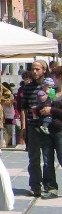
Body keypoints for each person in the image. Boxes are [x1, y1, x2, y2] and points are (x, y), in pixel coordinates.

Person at [22, 60, 57, 197]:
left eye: (37, 69)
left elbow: (54, 103)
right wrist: (23, 127)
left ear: (44, 70)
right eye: (32, 69)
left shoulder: (51, 86)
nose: (34, 72)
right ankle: (35, 186)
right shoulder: (28, 87)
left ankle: (50, 186)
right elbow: (24, 108)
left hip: (47, 126)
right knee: (34, 158)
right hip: (32, 125)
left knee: (48, 158)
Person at [39, 65, 62, 199]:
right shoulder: (52, 92)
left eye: (54, 77)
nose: (53, 80)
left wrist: (51, 110)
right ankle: (51, 187)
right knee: (47, 161)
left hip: (60, 130)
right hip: (47, 129)